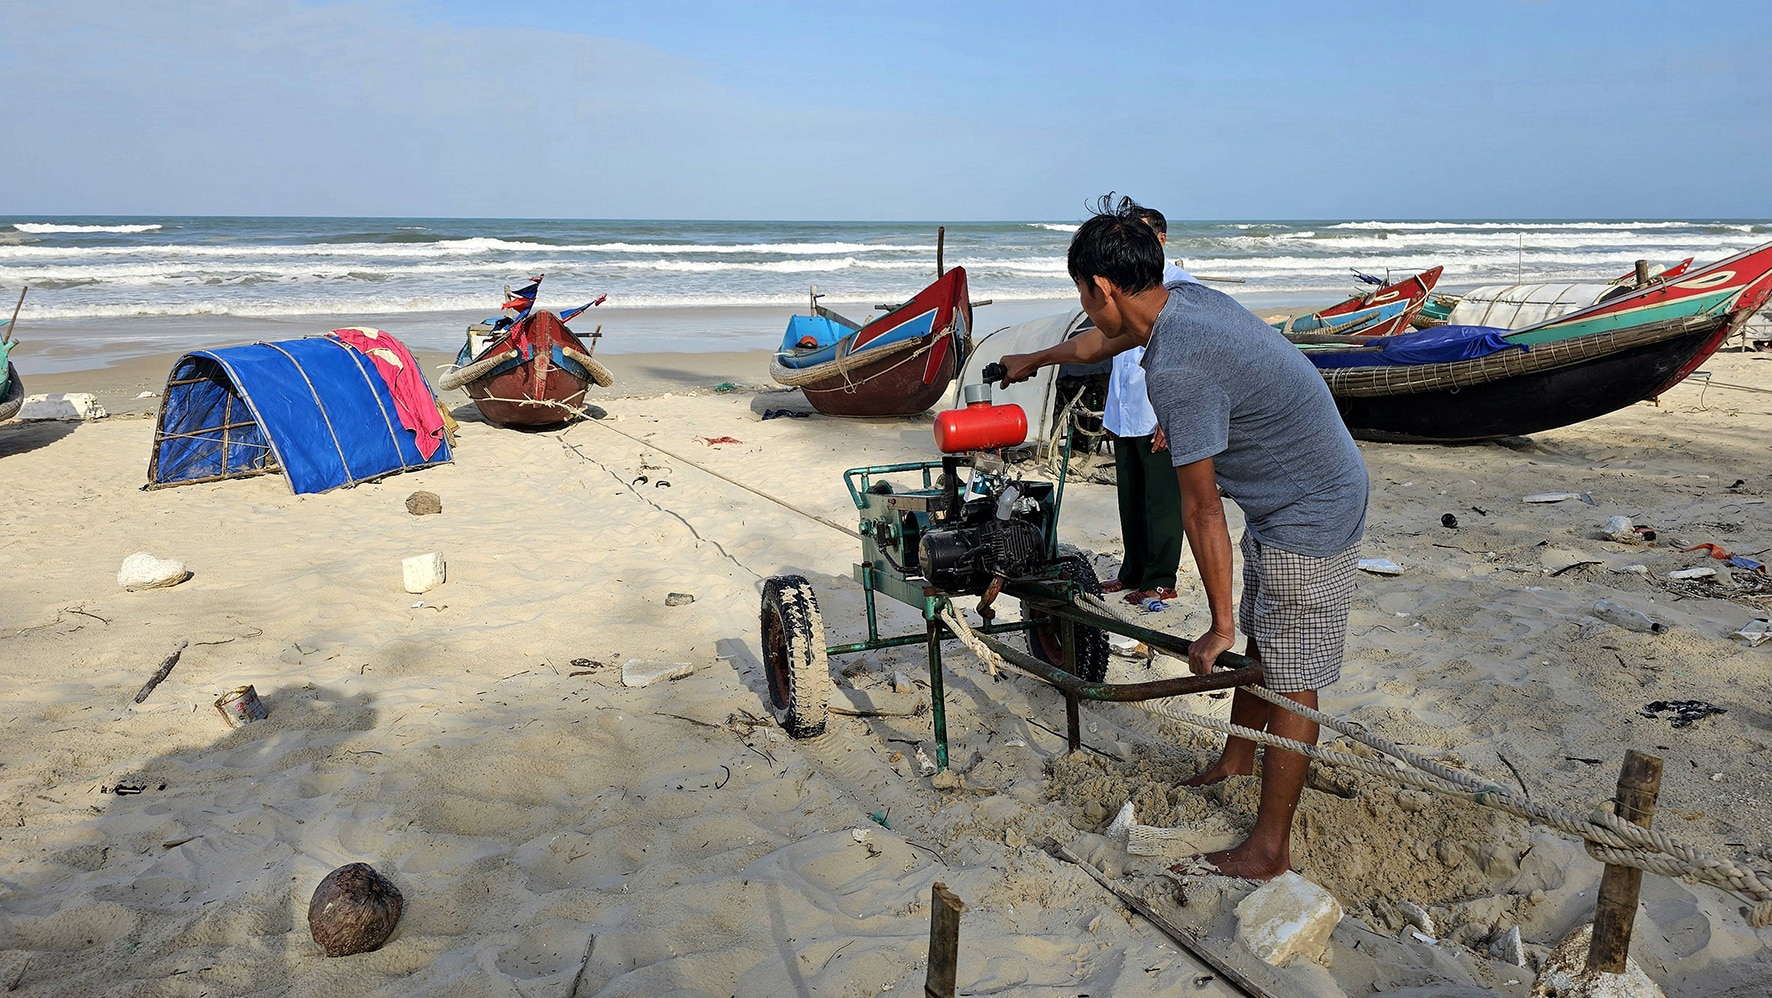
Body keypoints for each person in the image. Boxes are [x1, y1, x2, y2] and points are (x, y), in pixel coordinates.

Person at [997, 195, 1368, 880]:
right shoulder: (1183, 300)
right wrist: (1040, 356)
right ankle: (1235, 758)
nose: (1083, 305)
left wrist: (1217, 623)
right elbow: (1101, 341)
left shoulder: (1178, 369)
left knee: (1293, 681)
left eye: (1082, 291)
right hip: (1291, 487)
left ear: (1103, 287)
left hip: (1311, 506)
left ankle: (1268, 849)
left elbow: (1201, 511)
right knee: (1272, 641)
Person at [1098, 206, 1192, 605]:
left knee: (1162, 500)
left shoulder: (1179, 287)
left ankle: (1160, 577)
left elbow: (1189, 357)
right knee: (1131, 497)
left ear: (1160, 239)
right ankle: (1132, 570)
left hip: (1158, 411)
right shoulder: (1126, 285)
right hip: (1124, 409)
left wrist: (1173, 418)